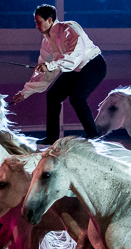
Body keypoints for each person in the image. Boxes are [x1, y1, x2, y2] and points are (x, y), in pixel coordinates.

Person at [12, 4, 106, 145]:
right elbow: (45, 73)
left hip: (94, 65)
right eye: (35, 22)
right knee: (53, 95)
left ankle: (94, 136)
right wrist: (25, 93)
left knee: (77, 97)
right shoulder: (46, 42)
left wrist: (49, 66)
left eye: (39, 22)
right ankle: (52, 138)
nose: (36, 26)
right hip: (75, 69)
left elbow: (74, 56)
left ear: (50, 20)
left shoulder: (69, 28)